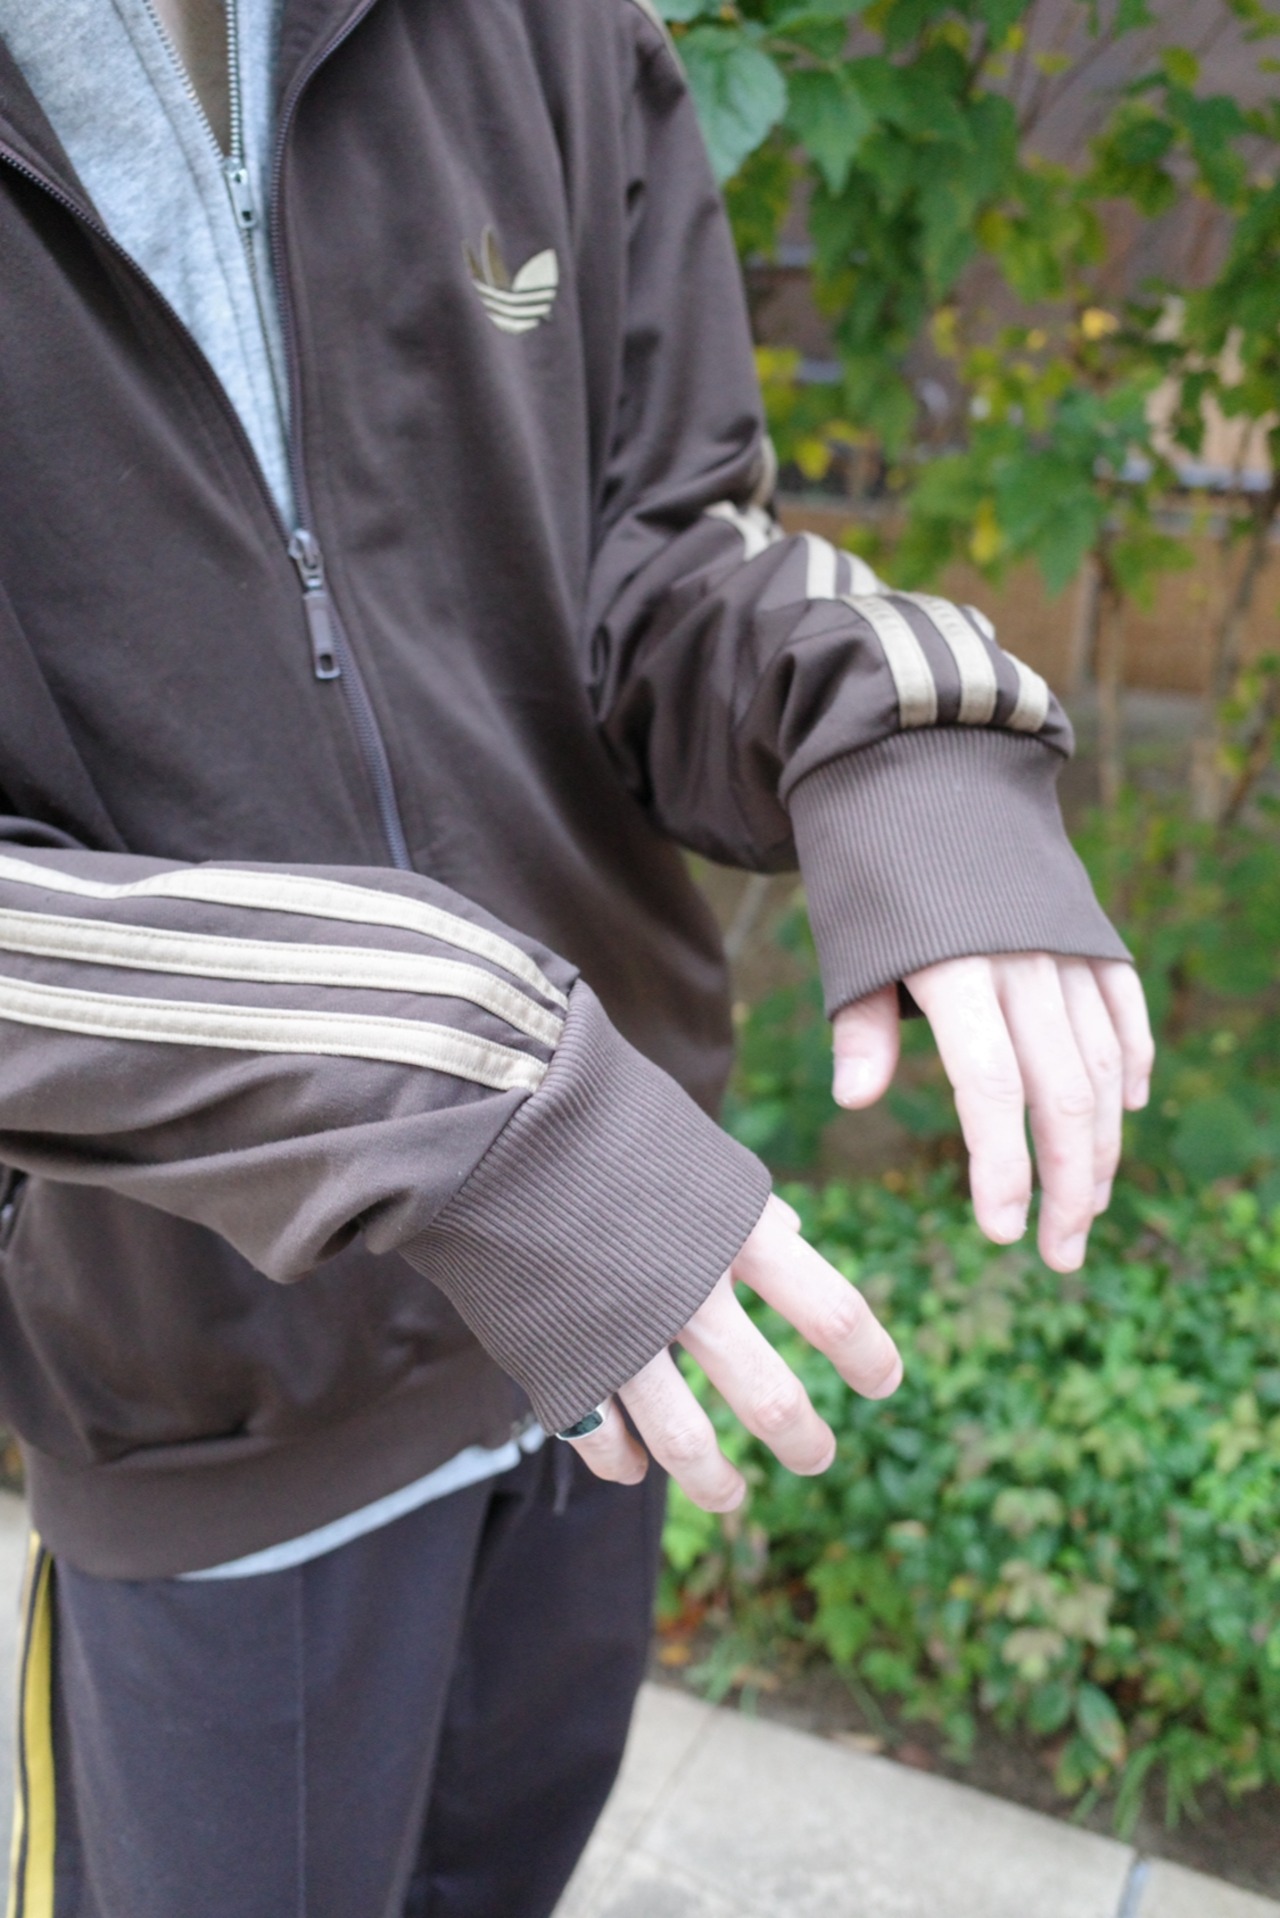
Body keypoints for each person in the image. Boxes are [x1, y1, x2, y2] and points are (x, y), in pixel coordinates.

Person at [0, 0, 1152, 1911]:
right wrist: (444, 1075)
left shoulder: (535, 24)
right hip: (204, 1394)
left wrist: (906, 733)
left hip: (619, 1331)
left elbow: (656, 548)